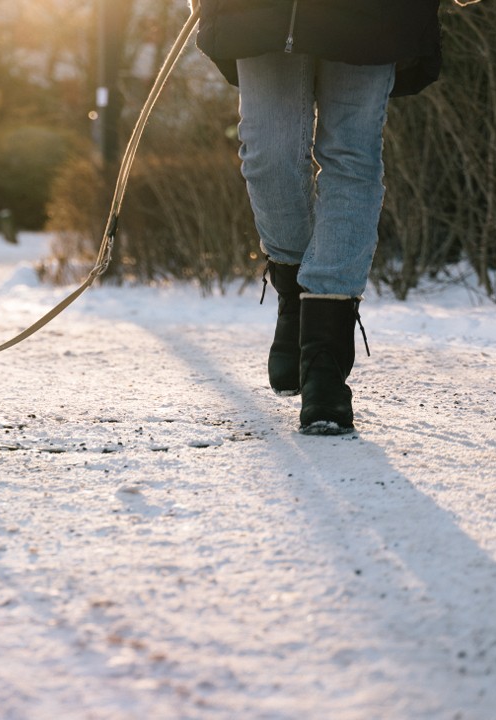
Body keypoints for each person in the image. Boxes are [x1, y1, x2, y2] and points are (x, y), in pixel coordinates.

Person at [193, 0, 477, 435]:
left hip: (373, 13)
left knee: (352, 157)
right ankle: (293, 290)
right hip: (259, 10)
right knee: (270, 155)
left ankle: (325, 359)